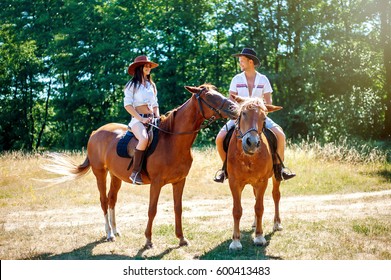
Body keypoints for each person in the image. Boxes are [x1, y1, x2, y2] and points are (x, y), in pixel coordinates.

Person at [214, 48, 296, 183]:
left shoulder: (263, 79)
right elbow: (231, 102)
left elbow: (268, 102)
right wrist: (240, 113)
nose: (240, 63)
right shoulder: (236, 79)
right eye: (240, 61)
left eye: (242, 61)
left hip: (259, 116)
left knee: (281, 136)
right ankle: (225, 169)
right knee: (219, 138)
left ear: (250, 62)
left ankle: (279, 168)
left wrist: (260, 114)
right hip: (241, 117)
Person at [124, 55, 159, 185]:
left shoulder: (151, 85)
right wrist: (140, 119)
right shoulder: (131, 85)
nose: (149, 67)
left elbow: (155, 104)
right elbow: (127, 105)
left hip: (152, 118)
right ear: (139, 68)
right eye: (146, 65)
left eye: (149, 65)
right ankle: (135, 173)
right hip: (137, 120)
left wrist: (157, 116)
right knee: (144, 139)